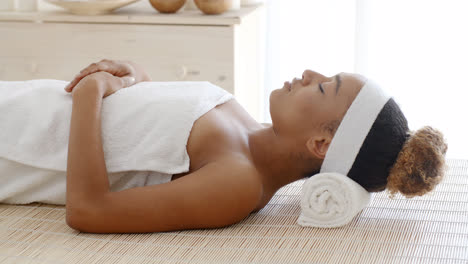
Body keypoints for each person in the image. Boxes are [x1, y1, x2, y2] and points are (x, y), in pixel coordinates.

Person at [4, 59, 448, 234]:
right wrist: (132, 76)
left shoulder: (238, 183)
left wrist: (88, 95)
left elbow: (88, 211)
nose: (309, 72)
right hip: (26, 103)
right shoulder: (240, 119)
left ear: (320, 142)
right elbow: (151, 125)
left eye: (323, 87)